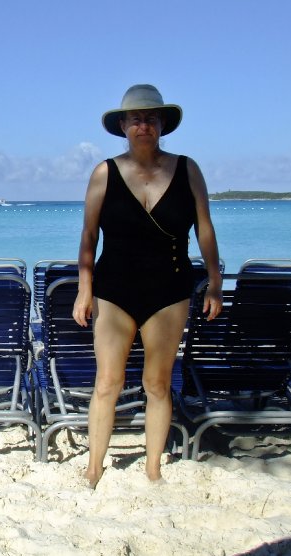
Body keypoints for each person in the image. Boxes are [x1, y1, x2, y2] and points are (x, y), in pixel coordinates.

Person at [73, 84, 222, 489]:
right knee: (108, 382)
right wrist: (84, 288)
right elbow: (88, 235)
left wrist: (214, 282)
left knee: (157, 383)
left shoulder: (187, 168)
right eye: (136, 118)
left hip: (168, 290)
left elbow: (204, 228)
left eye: (151, 118)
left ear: (162, 125)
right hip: (113, 289)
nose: (144, 124)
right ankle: (93, 468)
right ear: (123, 125)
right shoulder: (104, 172)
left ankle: (153, 468)